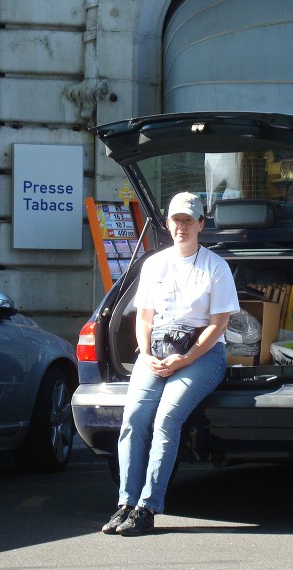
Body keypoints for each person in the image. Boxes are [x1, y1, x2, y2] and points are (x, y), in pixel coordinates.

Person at [102, 191, 239, 537]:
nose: (182, 227)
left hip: (202, 354)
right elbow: (144, 317)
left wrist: (186, 358)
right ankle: (125, 503)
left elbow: (219, 325)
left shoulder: (216, 267)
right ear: (167, 223)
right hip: (157, 350)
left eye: (188, 220)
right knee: (134, 419)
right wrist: (146, 354)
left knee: (166, 418)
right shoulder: (154, 264)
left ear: (201, 224)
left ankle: (147, 508)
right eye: (176, 220)